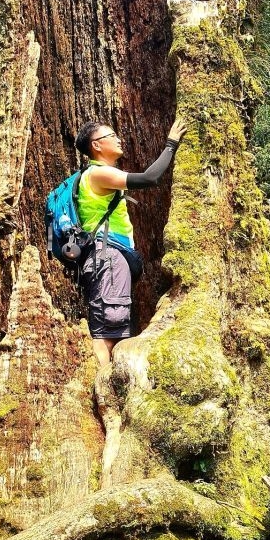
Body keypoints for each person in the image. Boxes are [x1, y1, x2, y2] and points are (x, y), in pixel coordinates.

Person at [73, 117, 187, 369]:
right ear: (96, 146)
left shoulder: (96, 174)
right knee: (108, 332)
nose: (118, 138)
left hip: (113, 257)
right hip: (108, 257)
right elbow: (149, 178)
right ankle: (102, 389)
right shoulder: (98, 173)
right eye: (111, 136)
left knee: (117, 326)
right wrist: (171, 143)